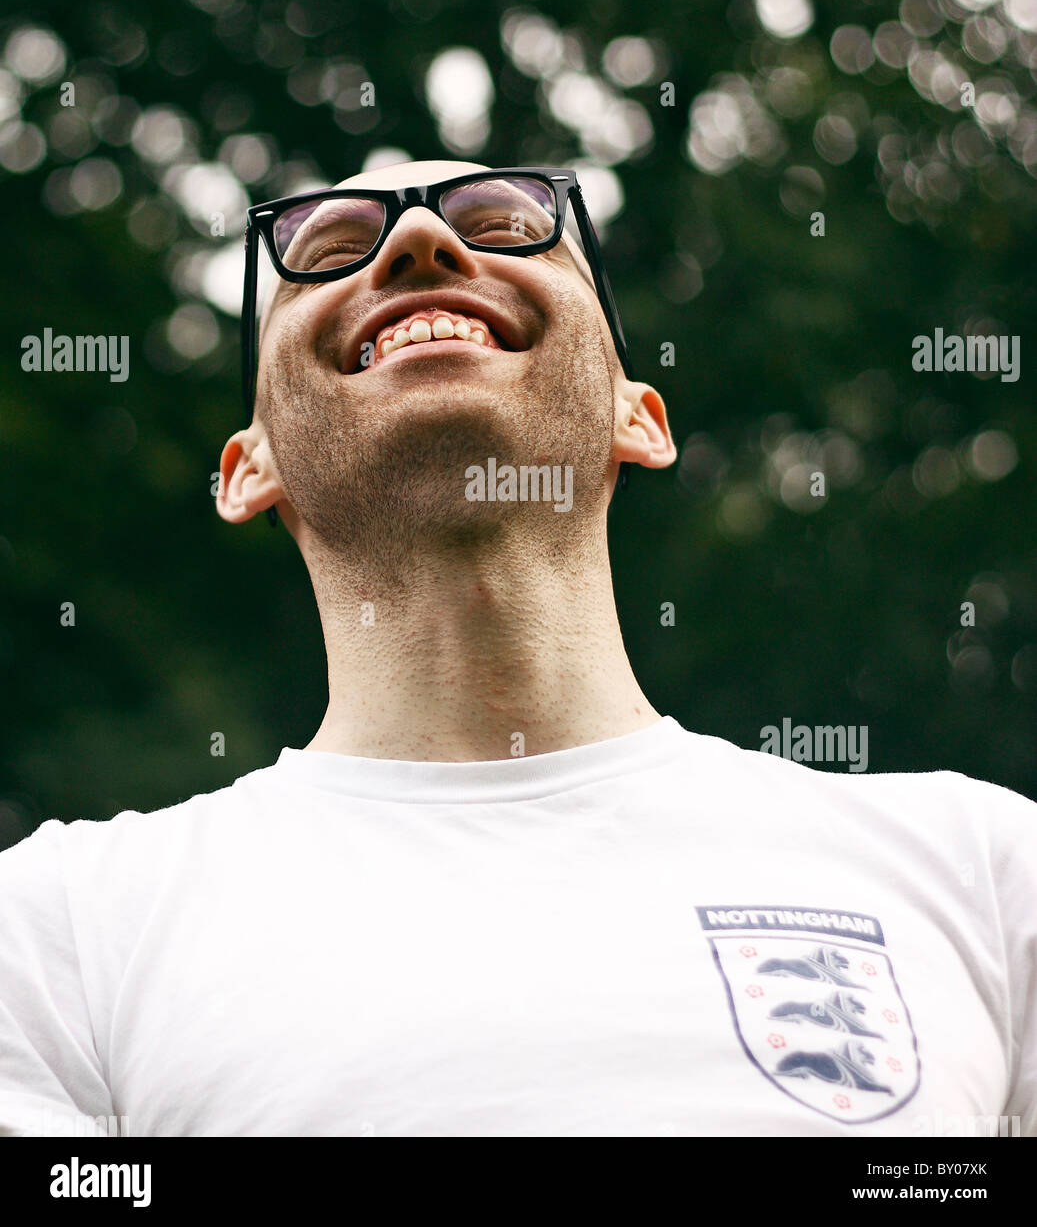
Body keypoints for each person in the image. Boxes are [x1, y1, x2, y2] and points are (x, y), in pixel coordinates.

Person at [1, 159, 1033, 1138]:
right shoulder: (58, 937)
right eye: (328, 246)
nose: (414, 238)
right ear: (245, 470)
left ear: (641, 418)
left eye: (501, 223)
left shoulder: (982, 874)